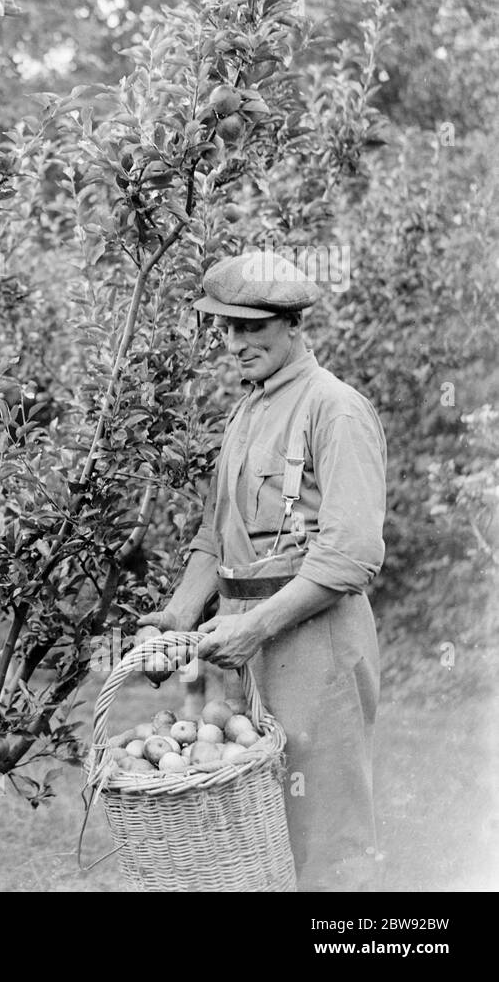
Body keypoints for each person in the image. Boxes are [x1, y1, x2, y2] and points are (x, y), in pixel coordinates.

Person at [138, 249, 387, 892]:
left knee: (326, 832)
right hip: (241, 645)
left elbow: (350, 555)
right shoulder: (246, 411)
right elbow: (213, 538)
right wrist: (176, 617)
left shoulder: (336, 409)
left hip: (314, 642)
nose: (234, 342)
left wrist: (259, 625)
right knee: (251, 831)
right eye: (226, 327)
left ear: (292, 324)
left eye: (251, 327)